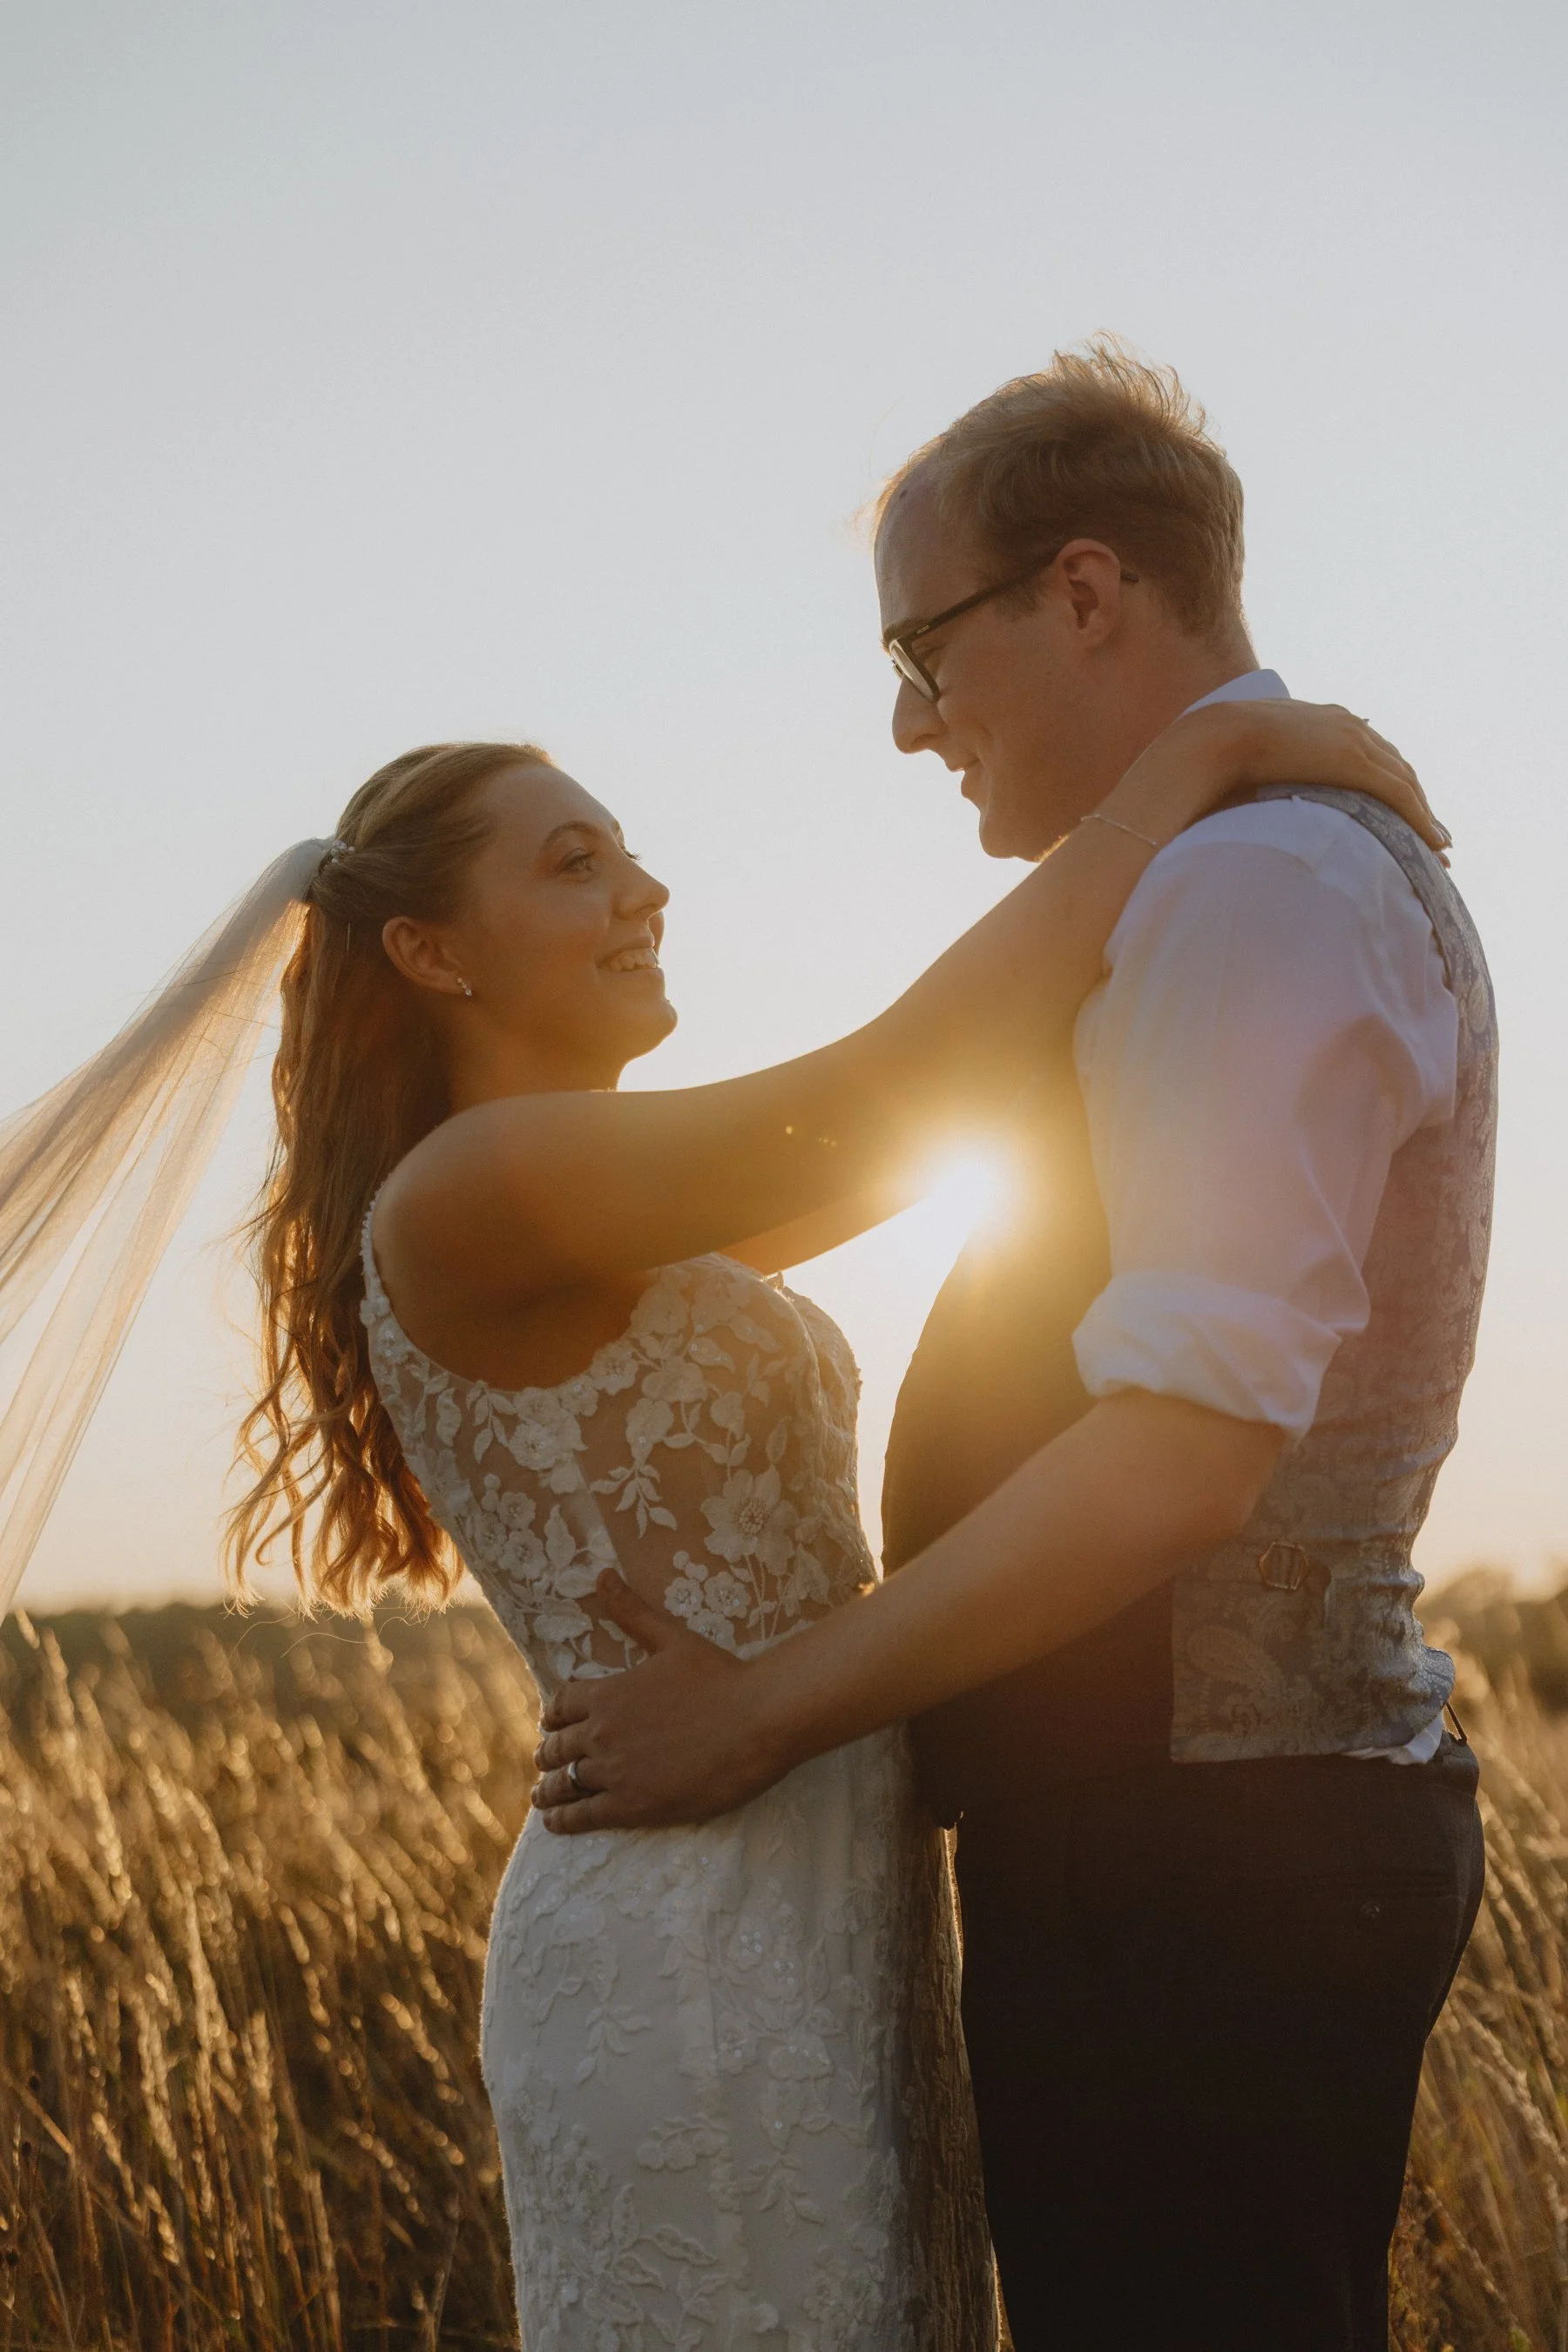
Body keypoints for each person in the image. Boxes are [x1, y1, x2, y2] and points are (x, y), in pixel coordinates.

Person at [0, 694, 1434, 2346]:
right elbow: (900, 1078)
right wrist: (1190, 758)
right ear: (432, 950)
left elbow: (945, 1117)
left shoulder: (613, 1205)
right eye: (575, 861)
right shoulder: (480, 1187)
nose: (646, 889)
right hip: (687, 1925)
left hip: (822, 1891)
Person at [531, 346, 1495, 2352]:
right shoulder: (1210, 863)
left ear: (1083, 593)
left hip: (1204, 1852)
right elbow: (848, 1143)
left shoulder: (1256, 883)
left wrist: (768, 1708)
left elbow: (1180, 1452)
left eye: (923, 649)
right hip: (1163, 1830)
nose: (906, 723)